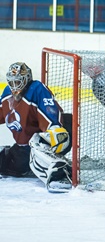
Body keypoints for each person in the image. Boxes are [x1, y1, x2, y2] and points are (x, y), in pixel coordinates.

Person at [0, 62, 72, 193]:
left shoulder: (36, 89)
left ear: (26, 79)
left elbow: (49, 111)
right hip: (24, 147)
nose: (14, 86)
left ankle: (60, 174)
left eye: (18, 82)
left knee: (36, 141)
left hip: (54, 135)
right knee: (6, 161)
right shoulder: (7, 94)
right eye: (12, 82)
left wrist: (55, 128)